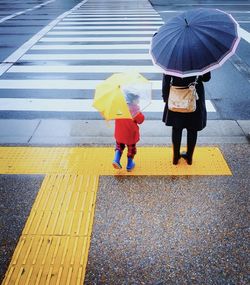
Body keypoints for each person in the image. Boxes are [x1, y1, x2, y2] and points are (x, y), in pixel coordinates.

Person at [162, 72, 211, 165]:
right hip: (194, 96)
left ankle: (176, 157)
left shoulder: (173, 59)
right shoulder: (199, 58)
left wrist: (165, 96)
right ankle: (189, 157)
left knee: (176, 128)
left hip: (176, 96)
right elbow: (206, 78)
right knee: (193, 129)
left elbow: (166, 79)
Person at [112, 92, 145, 171]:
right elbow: (140, 120)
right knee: (131, 149)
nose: (138, 101)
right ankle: (129, 164)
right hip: (130, 134)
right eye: (137, 99)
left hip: (120, 132)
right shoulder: (134, 109)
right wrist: (140, 113)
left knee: (119, 146)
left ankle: (116, 160)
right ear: (133, 101)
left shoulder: (120, 106)